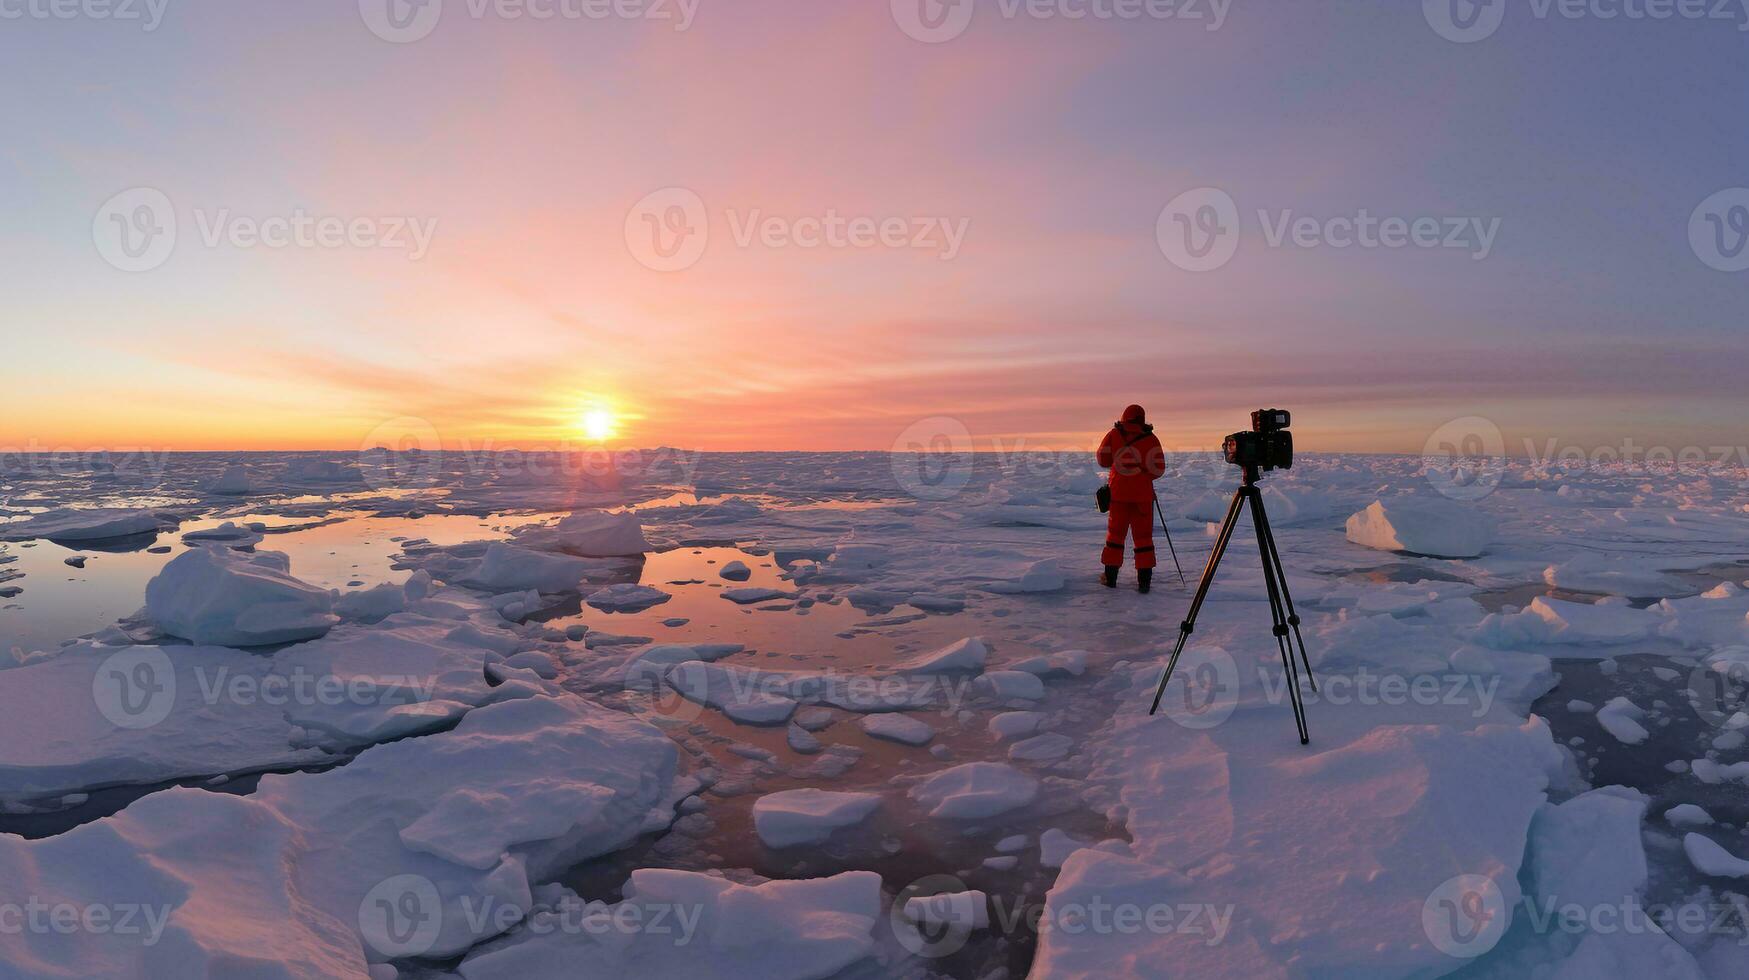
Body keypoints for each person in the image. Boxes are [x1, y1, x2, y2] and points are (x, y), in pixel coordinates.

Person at [1097, 404, 1166, 592]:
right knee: (1143, 538)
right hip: (1142, 497)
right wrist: (1142, 477)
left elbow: (1102, 460)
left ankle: (1110, 578)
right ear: (1143, 419)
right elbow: (1158, 469)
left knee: (1115, 536)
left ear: (1124, 417)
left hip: (1118, 495)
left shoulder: (1114, 435)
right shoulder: (1151, 439)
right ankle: (1144, 583)